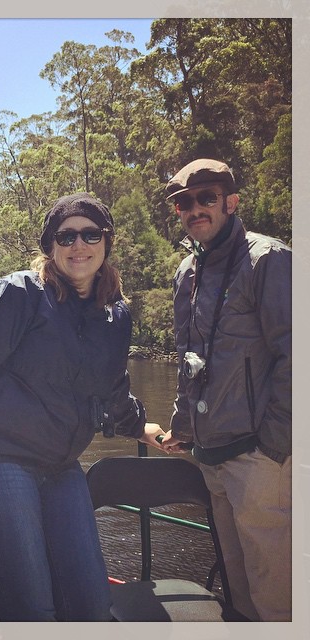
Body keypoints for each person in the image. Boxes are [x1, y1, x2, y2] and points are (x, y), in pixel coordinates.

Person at [0, 193, 166, 621]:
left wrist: (139, 426)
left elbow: (111, 385)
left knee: (91, 603)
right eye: (66, 236)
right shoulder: (19, 294)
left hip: (60, 466)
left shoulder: (115, 313)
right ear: (50, 245)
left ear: (106, 242)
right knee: (32, 607)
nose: (79, 245)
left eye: (90, 234)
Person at [160, 159, 292, 621]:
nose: (194, 209)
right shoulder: (186, 272)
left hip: (258, 457)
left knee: (276, 596)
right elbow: (188, 356)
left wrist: (273, 444)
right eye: (183, 202)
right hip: (211, 455)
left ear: (231, 202)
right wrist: (183, 426)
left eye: (206, 198)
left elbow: (295, 355)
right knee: (239, 590)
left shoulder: (268, 259)